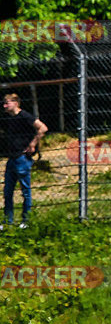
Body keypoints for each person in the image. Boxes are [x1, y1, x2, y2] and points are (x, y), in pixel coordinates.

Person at [2, 93, 47, 228]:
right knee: (7, 191)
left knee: (25, 191)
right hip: (12, 158)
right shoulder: (8, 119)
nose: (4, 106)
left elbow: (43, 128)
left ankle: (25, 221)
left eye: (7, 103)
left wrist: (33, 144)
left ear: (16, 103)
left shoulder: (25, 116)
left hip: (22, 158)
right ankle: (8, 221)